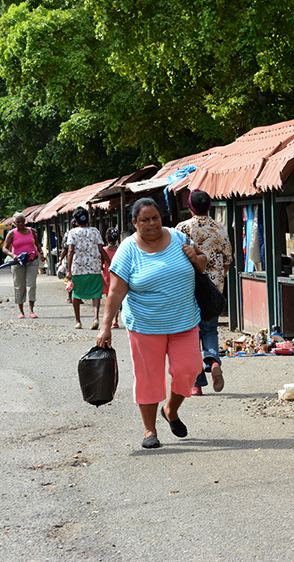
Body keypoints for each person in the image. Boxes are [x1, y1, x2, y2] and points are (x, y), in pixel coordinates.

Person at [96, 198, 207, 449]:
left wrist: (194, 256)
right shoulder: (127, 249)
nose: (151, 223)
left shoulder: (179, 237)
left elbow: (202, 266)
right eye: (144, 220)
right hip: (145, 326)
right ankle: (149, 430)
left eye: (155, 217)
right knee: (148, 377)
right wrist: (105, 325)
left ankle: (170, 409)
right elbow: (114, 292)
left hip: (185, 321)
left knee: (189, 369)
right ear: (134, 223)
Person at [176, 190, 233, 396]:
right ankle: (213, 360)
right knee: (210, 330)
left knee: (191, 336)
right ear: (209, 206)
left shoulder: (183, 228)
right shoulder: (219, 228)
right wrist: (216, 280)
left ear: (190, 207)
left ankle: (197, 384)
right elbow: (227, 260)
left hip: (188, 289)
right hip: (213, 290)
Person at [66, 207, 111, 330]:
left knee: (76, 294)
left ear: (75, 220)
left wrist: (69, 270)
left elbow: (70, 251)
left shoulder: (73, 232)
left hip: (78, 269)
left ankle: (78, 321)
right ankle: (95, 317)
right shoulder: (95, 231)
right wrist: (110, 263)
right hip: (95, 268)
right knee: (96, 293)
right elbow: (101, 249)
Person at [2, 212, 44, 318]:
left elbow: (37, 243)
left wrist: (41, 253)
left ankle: (31, 310)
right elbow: (4, 248)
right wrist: (12, 255)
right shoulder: (12, 233)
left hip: (32, 261)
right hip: (18, 262)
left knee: (31, 285)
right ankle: (21, 311)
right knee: (19, 286)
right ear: (14, 223)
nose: (20, 224)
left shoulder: (31, 231)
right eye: (18, 222)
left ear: (25, 221)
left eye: (22, 221)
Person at [102, 227, 121, 329]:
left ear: (106, 238)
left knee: (109, 298)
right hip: (118, 276)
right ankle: (115, 319)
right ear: (117, 239)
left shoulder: (104, 250)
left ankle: (109, 319)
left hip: (107, 276)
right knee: (117, 298)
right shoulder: (120, 250)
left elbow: (101, 264)